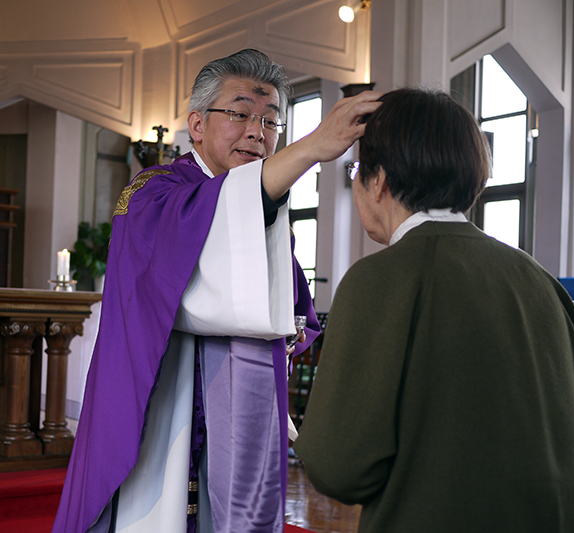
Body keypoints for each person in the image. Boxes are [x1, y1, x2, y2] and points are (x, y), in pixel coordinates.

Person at [52, 49, 380, 533]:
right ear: (198, 125)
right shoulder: (150, 192)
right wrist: (311, 147)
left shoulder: (263, 204)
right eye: (241, 113)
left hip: (236, 411)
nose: (257, 131)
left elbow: (281, 296)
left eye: (271, 121)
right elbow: (187, 260)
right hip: (165, 407)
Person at [293, 88, 574, 532]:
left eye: (356, 170)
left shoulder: (380, 279)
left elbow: (338, 466)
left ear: (379, 180)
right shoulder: (542, 283)